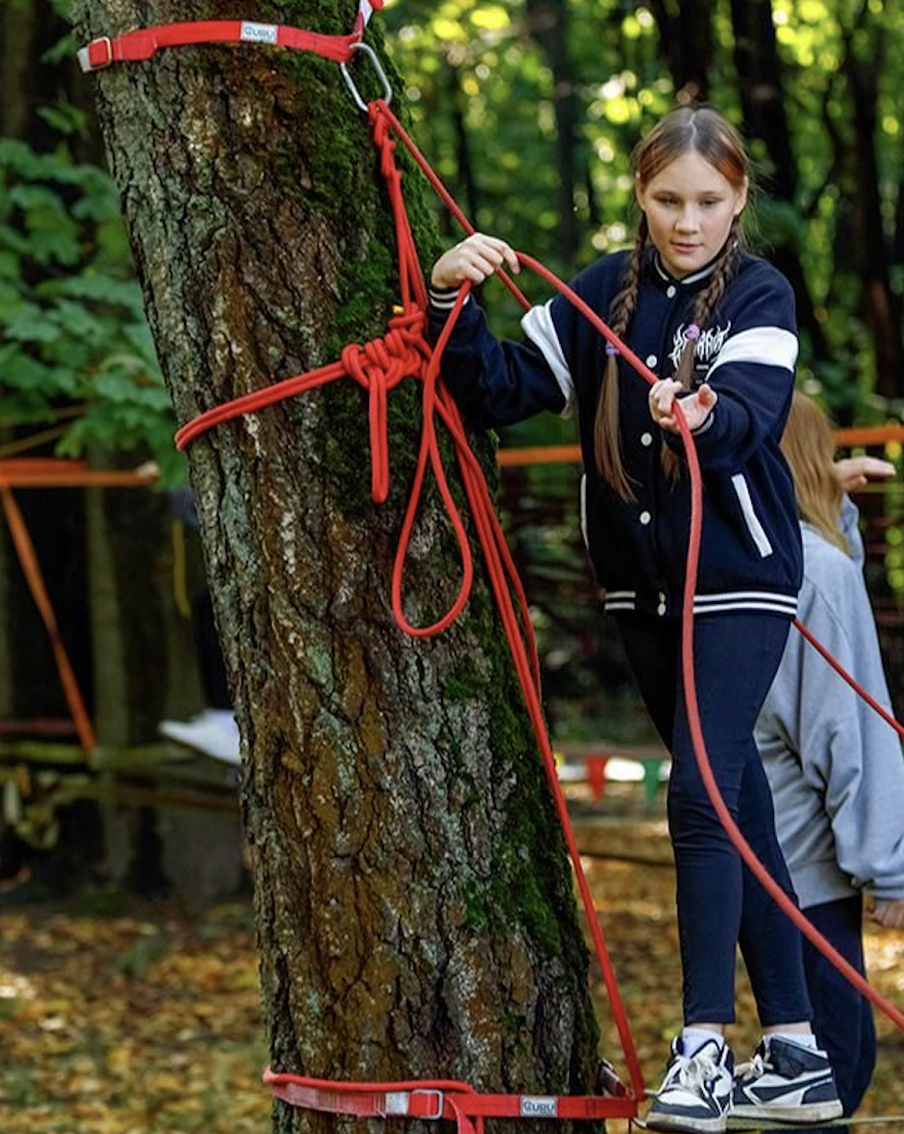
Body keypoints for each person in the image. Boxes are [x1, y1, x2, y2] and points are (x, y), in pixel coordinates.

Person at [426, 105, 842, 1133]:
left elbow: (747, 417)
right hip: (643, 586)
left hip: (736, 574)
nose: (686, 221)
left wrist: (696, 413)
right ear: (641, 195)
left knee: (700, 790)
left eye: (707, 201)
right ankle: (795, 1052)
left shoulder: (758, 291)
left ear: (738, 199)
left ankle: (701, 1045)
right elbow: (496, 388)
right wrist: (450, 295)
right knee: (734, 800)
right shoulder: (597, 293)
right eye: (667, 200)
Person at [755, 391, 904, 1124]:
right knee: (836, 1069)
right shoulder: (818, 574)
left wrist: (825, 503)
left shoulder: (748, 565)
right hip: (811, 874)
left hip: (758, 867)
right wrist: (888, 865)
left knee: (806, 1079)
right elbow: (852, 728)